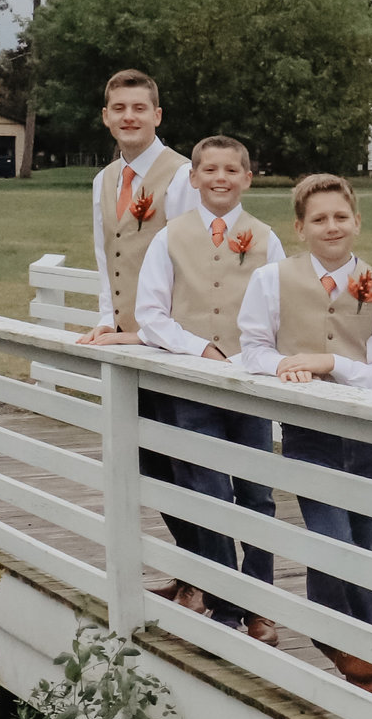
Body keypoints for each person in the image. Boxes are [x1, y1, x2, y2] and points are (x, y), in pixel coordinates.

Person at [237, 174, 372, 699]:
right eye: (319, 219)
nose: (331, 227)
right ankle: (336, 639)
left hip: (367, 439)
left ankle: (370, 655)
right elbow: (253, 347)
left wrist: (332, 362)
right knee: (332, 541)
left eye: (340, 217)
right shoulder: (273, 281)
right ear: (299, 227)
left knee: (367, 546)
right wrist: (286, 366)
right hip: (310, 435)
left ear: (357, 222)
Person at [132, 135, 285, 642]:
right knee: (209, 489)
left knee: (257, 494)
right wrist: (197, 349)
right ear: (194, 178)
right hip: (192, 384)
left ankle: (260, 602)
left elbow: (280, 312)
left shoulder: (266, 239)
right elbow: (150, 314)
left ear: (247, 177)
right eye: (210, 170)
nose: (221, 178)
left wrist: (250, 358)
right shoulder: (169, 237)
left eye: (231, 170)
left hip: (250, 383)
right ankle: (224, 605)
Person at [74, 70, 193, 345]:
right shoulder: (102, 180)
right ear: (106, 117)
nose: (129, 116)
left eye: (139, 108)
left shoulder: (182, 176)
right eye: (119, 108)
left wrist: (149, 336)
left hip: (171, 343)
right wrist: (107, 320)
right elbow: (105, 260)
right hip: (119, 337)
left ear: (157, 116)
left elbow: (189, 269)